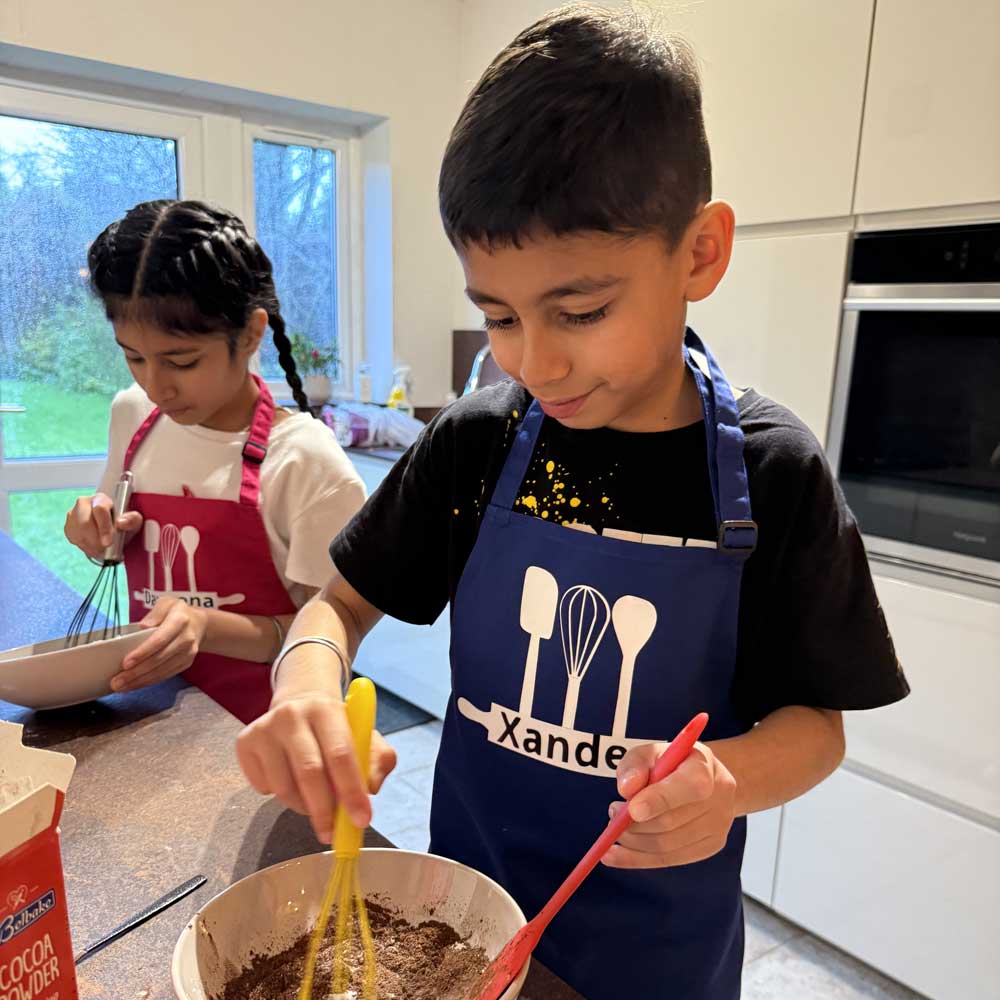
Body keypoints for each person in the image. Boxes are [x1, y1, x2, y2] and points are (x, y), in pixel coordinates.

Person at [236, 6, 910, 997]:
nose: (531, 360)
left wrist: (725, 782)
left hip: (659, 958)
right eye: (497, 316)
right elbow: (335, 606)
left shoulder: (772, 473)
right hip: (458, 930)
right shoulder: (479, 442)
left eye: (579, 311)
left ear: (699, 253)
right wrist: (304, 685)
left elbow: (816, 725)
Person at [64, 199, 365, 724]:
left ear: (249, 335)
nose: (156, 385)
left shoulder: (305, 462)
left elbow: (327, 633)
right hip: (151, 715)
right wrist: (97, 529)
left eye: (181, 361)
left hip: (264, 733)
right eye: (133, 356)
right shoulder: (133, 414)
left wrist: (206, 626)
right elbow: (116, 534)